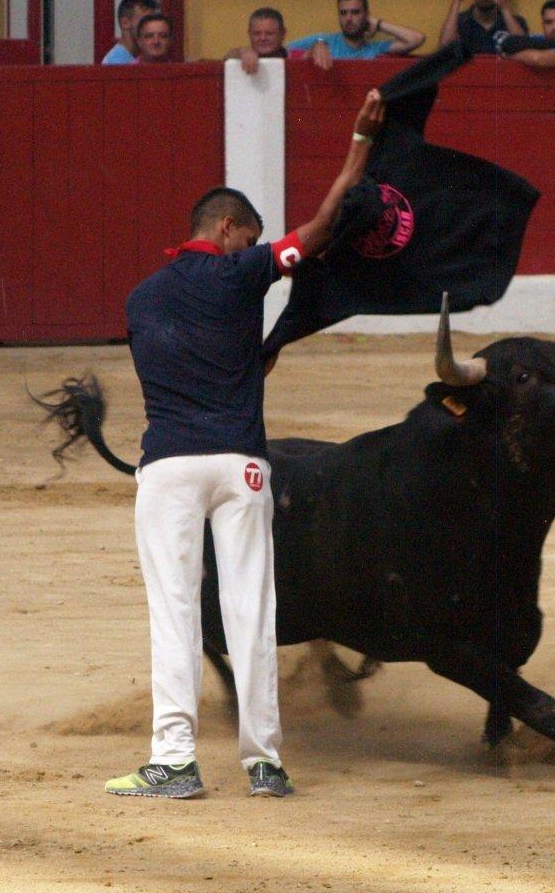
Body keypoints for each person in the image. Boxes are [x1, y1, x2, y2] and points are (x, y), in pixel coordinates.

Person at [105, 89, 387, 800]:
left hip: (169, 464)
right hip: (241, 465)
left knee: (174, 611)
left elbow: (186, 360)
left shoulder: (142, 298)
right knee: (250, 610)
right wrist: (359, 142)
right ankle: (264, 762)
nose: (253, 247)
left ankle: (173, 761)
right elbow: (321, 228)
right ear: (229, 229)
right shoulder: (242, 273)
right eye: (248, 234)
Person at [287, 0, 424, 70]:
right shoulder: (323, 40)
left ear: (366, 14)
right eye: (343, 13)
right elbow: (283, 53)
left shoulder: (375, 48)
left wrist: (379, 24)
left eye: (355, 12)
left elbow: (416, 39)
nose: (348, 18)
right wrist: (312, 50)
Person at [224, 7, 307, 76]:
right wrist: (241, 52)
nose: (263, 38)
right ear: (249, 34)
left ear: (283, 34)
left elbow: (311, 54)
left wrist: (318, 45)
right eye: (257, 33)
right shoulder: (239, 57)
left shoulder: (295, 57)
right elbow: (228, 57)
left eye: (269, 33)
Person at [102, 0, 159, 65]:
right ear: (125, 23)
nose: (151, 26)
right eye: (145, 21)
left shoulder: (141, 56)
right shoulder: (115, 63)